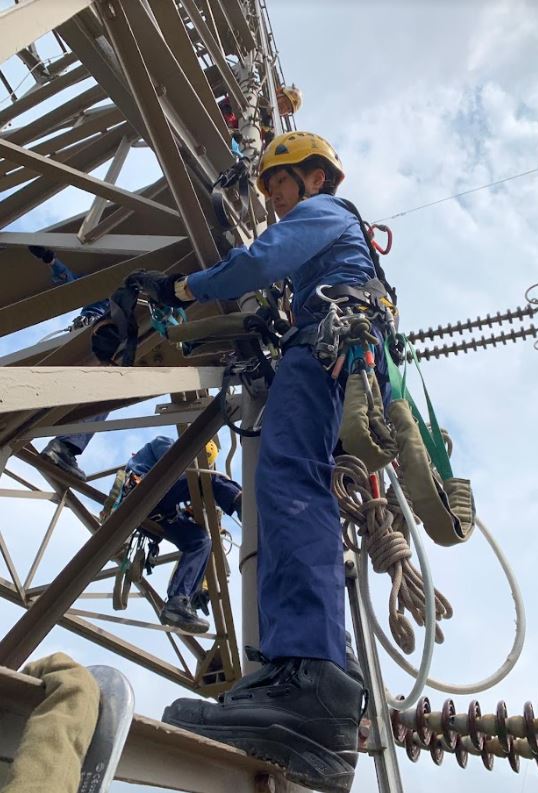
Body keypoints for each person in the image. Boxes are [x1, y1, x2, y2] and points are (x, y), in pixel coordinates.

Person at [122, 132, 392, 793]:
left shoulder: (325, 213)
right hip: (327, 337)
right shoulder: (326, 240)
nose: (269, 197)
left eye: (277, 183)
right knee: (291, 488)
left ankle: (309, 682)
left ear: (313, 178)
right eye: (267, 185)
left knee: (288, 485)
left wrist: (183, 288)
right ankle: (302, 673)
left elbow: (261, 259)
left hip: (327, 340)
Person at [111, 435, 242, 634]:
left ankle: (178, 602)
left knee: (200, 542)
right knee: (210, 480)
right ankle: (244, 504)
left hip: (158, 512)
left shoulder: (184, 477)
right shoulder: (164, 443)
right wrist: (205, 488)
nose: (200, 465)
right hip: (142, 492)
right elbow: (177, 467)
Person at [28, 246, 111, 479]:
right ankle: (64, 448)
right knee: (105, 396)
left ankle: (61, 444)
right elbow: (72, 282)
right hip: (101, 336)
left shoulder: (102, 289)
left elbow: (71, 282)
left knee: (95, 394)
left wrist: (51, 261)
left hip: (83, 334)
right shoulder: (128, 297)